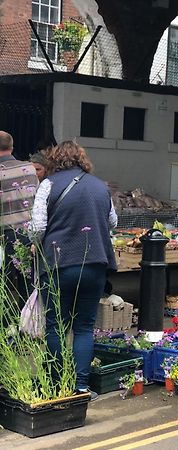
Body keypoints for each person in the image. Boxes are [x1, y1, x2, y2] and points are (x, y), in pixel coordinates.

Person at [29, 141, 117, 400]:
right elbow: (113, 221)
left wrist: (37, 246)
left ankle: (57, 384)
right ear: (81, 159)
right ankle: (81, 386)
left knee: (56, 326)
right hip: (94, 266)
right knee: (84, 327)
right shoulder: (100, 186)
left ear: (55, 160)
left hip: (59, 266)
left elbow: (37, 227)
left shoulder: (48, 185)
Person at [0, 131, 38, 308]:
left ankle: (6, 326)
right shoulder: (29, 168)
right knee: (27, 283)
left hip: (4, 236)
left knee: (4, 284)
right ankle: (27, 326)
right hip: (28, 234)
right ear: (12, 147)